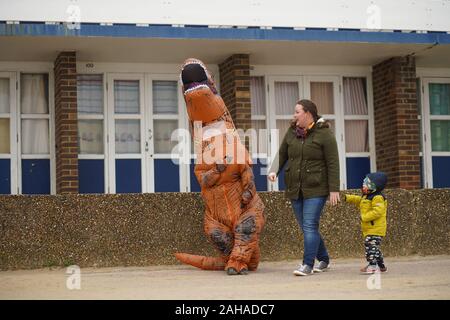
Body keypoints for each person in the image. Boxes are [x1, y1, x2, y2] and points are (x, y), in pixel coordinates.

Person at [268, 99, 340, 276]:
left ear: (308, 113)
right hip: (295, 187)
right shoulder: (292, 132)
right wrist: (274, 171)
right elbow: (283, 153)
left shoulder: (324, 134)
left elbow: (333, 162)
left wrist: (334, 189)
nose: (294, 115)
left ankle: (307, 265)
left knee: (309, 225)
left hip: (316, 188)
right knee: (307, 227)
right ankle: (324, 259)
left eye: (297, 111)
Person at [344, 172, 388, 274]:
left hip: (376, 228)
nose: (363, 186)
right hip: (370, 228)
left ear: (375, 186)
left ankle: (373, 266)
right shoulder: (367, 196)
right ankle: (381, 266)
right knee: (374, 248)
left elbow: (378, 211)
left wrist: (364, 217)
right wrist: (347, 198)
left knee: (370, 246)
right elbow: (359, 200)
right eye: (364, 184)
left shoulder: (377, 197)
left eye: (367, 184)